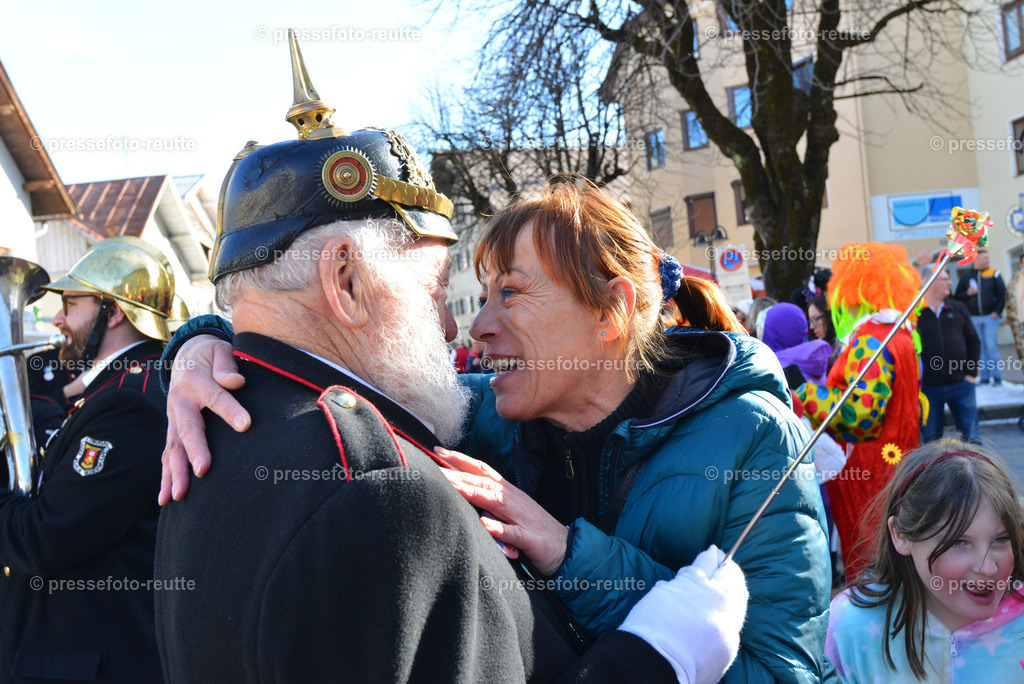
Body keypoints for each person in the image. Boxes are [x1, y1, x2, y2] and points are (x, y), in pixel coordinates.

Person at [155, 35, 746, 684]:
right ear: (346, 280)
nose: (450, 325)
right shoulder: (376, 489)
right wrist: (654, 660)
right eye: (434, 288)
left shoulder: (206, 427)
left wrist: (194, 344)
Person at [163, 179, 837, 681]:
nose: (473, 327)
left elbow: (781, 673)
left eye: (510, 293)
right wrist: (200, 346)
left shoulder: (756, 442)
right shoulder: (485, 414)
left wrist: (572, 555)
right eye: (479, 295)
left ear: (610, 311)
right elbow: (304, 328)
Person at [0, 236, 172, 683]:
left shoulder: (128, 403)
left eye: (71, 304)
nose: (58, 318)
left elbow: (44, 538)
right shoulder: (119, 392)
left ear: (113, 311)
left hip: (90, 664)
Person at [825, 439, 1024, 681]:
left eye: (1001, 539)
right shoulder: (849, 627)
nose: (988, 568)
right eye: (958, 542)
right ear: (900, 536)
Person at [797, 242, 924, 582]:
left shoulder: (872, 338)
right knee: (895, 559)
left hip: (870, 476)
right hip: (894, 467)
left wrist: (804, 396)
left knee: (873, 566)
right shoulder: (898, 334)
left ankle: (873, 630)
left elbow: (859, 413)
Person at [916, 265, 980, 443]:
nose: (950, 282)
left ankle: (979, 471)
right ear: (930, 282)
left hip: (961, 384)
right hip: (928, 388)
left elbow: (974, 340)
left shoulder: (958, 308)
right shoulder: (914, 312)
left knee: (972, 438)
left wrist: (971, 375)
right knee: (931, 441)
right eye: (945, 279)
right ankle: (934, 472)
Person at [954, 248, 1006, 385]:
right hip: (973, 318)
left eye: (987, 258)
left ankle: (997, 377)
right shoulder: (966, 277)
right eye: (984, 258)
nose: (987, 260)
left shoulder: (994, 274)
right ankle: (984, 378)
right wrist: (968, 293)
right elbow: (957, 296)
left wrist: (997, 312)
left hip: (990, 317)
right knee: (980, 348)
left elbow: (1002, 295)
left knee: (992, 347)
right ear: (975, 260)